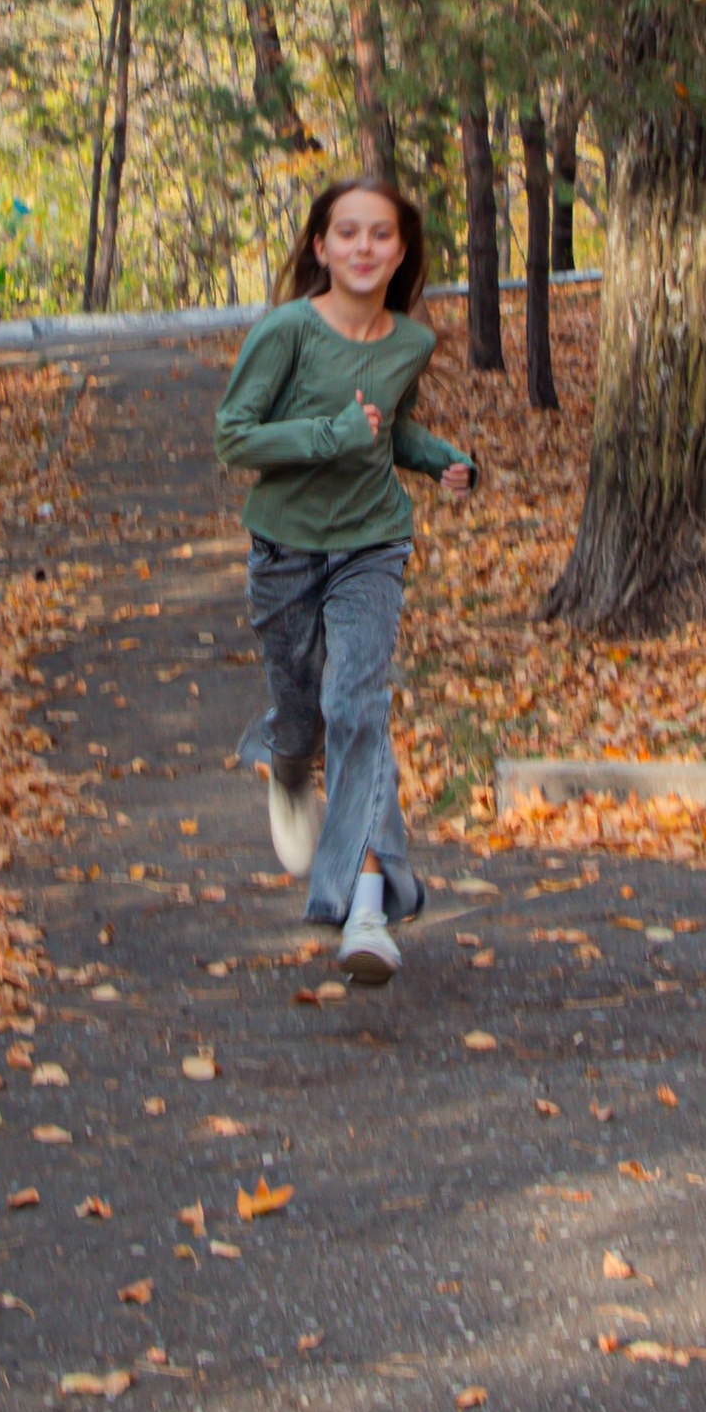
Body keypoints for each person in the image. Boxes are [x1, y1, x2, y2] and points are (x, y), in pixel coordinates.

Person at [213, 176, 476, 984]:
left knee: (357, 707)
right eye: (349, 233)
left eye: (382, 235)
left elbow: (389, 427)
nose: (366, 248)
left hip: (373, 544)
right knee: (304, 708)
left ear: (403, 253)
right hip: (285, 549)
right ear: (321, 247)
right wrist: (328, 433)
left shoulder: (411, 342)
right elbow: (235, 437)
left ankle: (363, 910)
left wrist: (441, 460)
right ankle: (289, 764)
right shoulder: (287, 331)